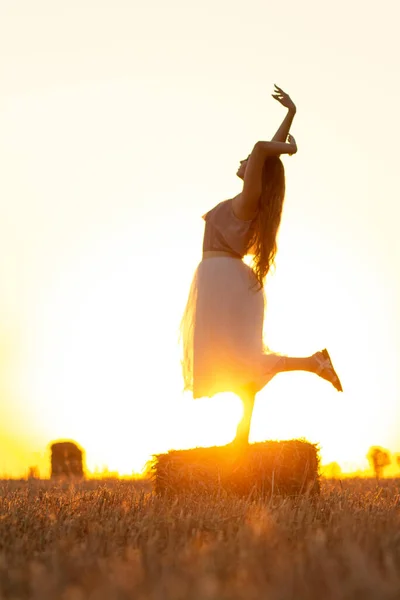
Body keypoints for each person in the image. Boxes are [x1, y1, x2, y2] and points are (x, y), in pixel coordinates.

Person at [180, 84, 343, 446]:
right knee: (239, 361)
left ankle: (314, 364)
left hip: (223, 280)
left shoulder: (248, 201)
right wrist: (289, 116)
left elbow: (260, 152)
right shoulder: (250, 201)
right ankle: (308, 369)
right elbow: (265, 158)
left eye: (248, 164)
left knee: (239, 360)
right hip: (225, 279)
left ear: (255, 175)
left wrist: (289, 146)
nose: (243, 162)